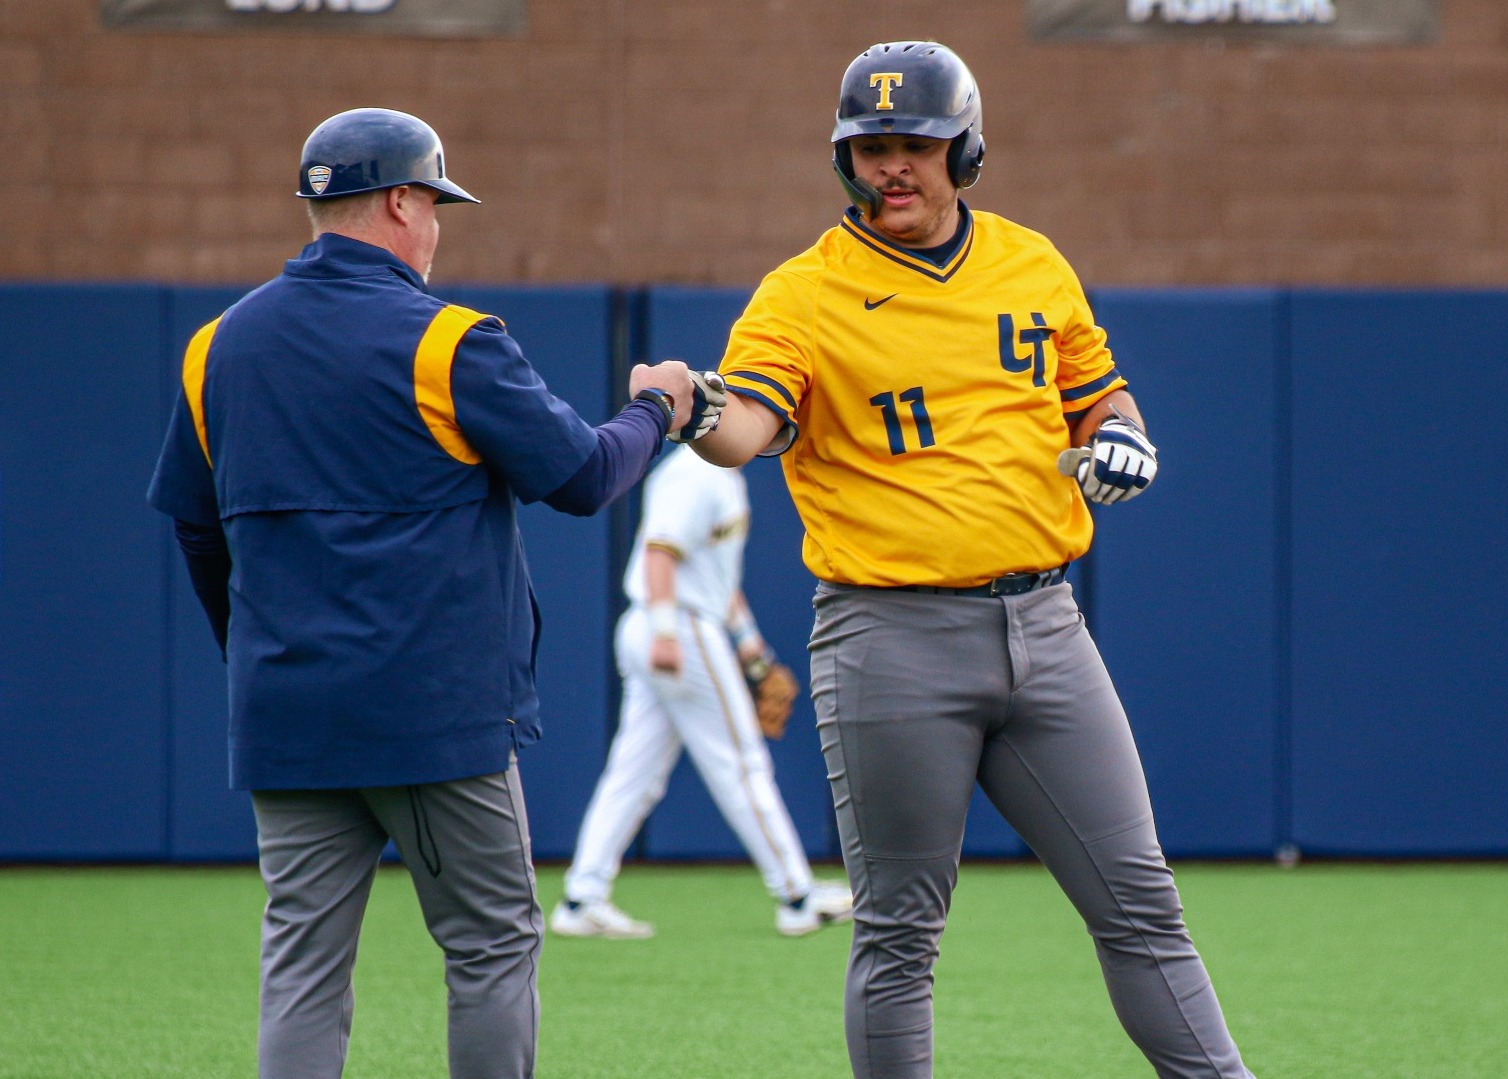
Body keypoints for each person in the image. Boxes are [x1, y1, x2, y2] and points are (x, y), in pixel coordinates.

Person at [689, 41, 1254, 1079]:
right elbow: (747, 428)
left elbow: (1096, 391)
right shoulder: (801, 292)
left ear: (966, 150)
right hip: (889, 636)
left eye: (916, 145)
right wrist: (696, 408)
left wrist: (1126, 434)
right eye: (871, 148)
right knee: (899, 932)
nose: (892, 167)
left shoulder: (1031, 261)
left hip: (1046, 624)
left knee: (1141, 902)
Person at [145, 107, 724, 1079]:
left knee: (301, 968)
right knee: (491, 945)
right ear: (403, 202)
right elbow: (584, 478)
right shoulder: (446, 341)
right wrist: (657, 407)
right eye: (434, 205)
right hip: (433, 715)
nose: (436, 227)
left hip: (288, 707)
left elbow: (198, 531)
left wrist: (254, 654)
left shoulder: (215, 346)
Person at [552, 445, 855, 939]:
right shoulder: (694, 472)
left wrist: (752, 650)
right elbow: (659, 553)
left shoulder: (720, 474)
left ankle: (581, 898)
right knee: (741, 763)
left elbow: (714, 575)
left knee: (634, 773)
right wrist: (667, 633)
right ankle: (797, 896)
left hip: (673, 623)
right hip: (679, 627)